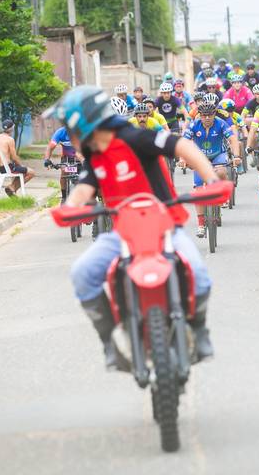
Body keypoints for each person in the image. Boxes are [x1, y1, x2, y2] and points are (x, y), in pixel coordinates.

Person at [47, 86, 222, 368]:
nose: (69, 136)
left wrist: (211, 179)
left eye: (71, 129)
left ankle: (200, 331)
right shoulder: (95, 157)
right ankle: (110, 341)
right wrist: (69, 208)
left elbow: (182, 146)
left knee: (199, 273)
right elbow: (84, 188)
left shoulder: (136, 138)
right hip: (124, 234)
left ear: (86, 125)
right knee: (82, 272)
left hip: (165, 228)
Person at [180, 102, 241, 237]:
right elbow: (183, 142)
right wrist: (182, 159)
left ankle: (222, 194)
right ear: (200, 115)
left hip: (218, 155)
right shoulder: (194, 125)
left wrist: (236, 156)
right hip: (200, 157)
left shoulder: (221, 123)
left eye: (210, 115)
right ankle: (201, 224)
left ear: (214, 114)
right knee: (198, 191)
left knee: (221, 171)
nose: (207, 118)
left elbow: (233, 139)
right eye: (204, 115)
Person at [43, 122, 85, 202]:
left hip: (80, 156)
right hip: (66, 157)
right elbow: (50, 147)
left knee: (84, 174)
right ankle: (64, 197)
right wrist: (47, 160)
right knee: (64, 172)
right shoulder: (60, 132)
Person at [0, 119, 35, 197]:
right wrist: (21, 166)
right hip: (7, 168)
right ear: (12, 128)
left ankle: (12, 188)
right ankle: (12, 187)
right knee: (31, 172)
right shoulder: (10, 140)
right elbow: (14, 157)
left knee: (20, 170)